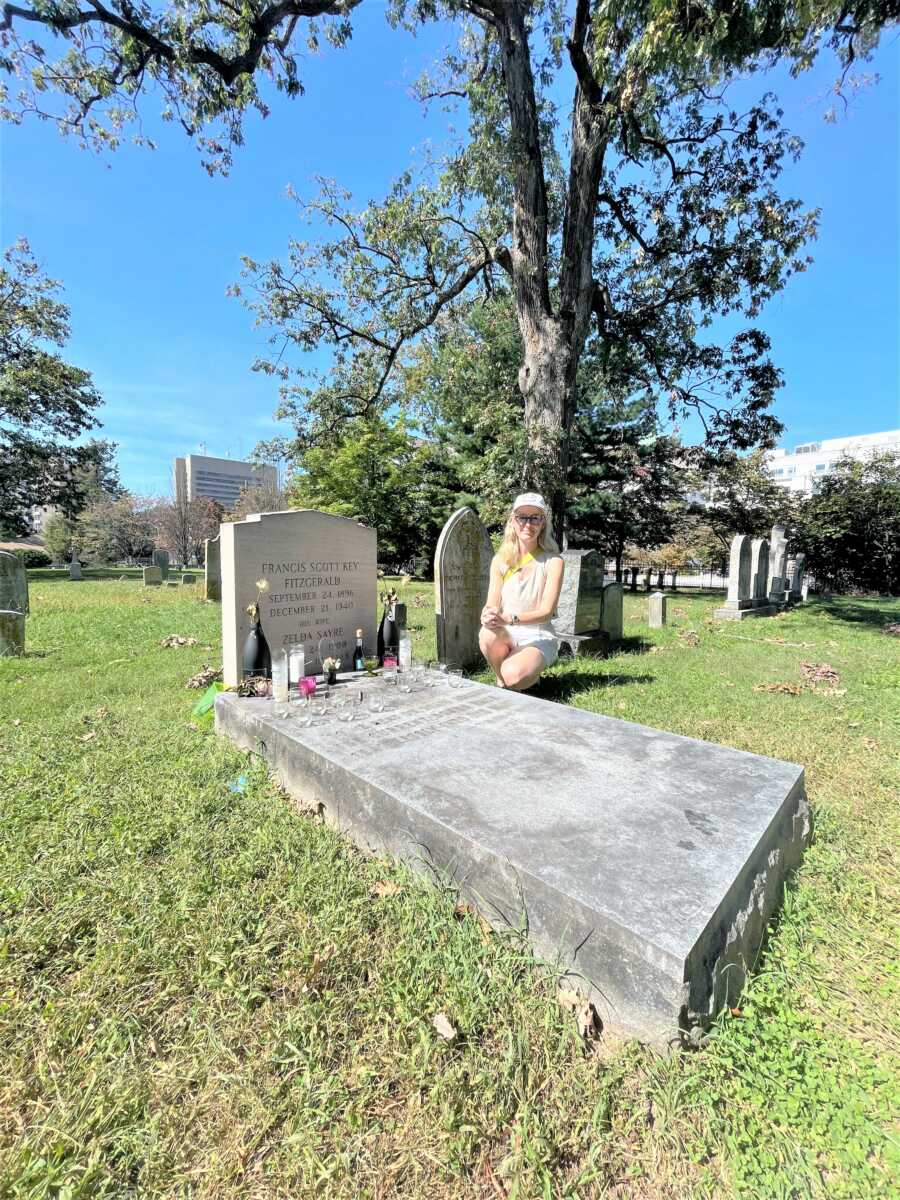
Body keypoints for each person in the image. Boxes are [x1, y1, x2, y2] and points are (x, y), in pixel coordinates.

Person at [479, 493, 565, 690]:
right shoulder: (500, 561)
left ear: (543, 522)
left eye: (535, 517)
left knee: (514, 674)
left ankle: (519, 679)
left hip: (537, 636)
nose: (528, 523)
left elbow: (546, 612)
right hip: (506, 632)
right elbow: (491, 604)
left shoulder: (553, 562)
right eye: (522, 517)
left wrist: (509, 619)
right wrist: (489, 614)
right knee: (487, 633)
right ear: (513, 521)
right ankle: (506, 682)